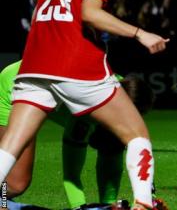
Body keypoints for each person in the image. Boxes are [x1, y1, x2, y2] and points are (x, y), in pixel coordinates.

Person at [0, 0, 169, 210]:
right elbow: (89, 12)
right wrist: (140, 33)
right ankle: (142, 204)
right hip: (73, 62)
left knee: (9, 148)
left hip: (34, 63)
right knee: (137, 135)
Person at [0, 61, 167, 209]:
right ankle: (2, 200)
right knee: (15, 184)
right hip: (16, 85)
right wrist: (78, 208)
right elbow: (71, 174)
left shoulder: (126, 90)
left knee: (113, 143)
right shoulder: (86, 111)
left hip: (47, 80)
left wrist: (117, 204)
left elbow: (131, 155)